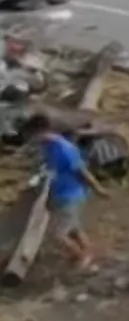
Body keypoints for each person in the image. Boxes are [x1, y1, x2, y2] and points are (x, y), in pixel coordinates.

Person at [22, 114, 110, 271]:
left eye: (31, 136)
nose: (31, 140)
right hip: (60, 193)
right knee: (74, 228)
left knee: (57, 235)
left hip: (71, 195)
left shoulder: (64, 148)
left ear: (40, 131)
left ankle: (81, 257)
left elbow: (82, 171)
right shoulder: (48, 146)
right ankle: (88, 251)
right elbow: (50, 169)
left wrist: (98, 189)